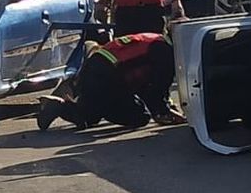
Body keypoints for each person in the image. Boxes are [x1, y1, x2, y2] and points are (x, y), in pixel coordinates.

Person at [36, 32, 185, 131]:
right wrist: (165, 112)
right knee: (140, 117)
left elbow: (146, 85)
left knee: (89, 117)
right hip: (107, 76)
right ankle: (77, 106)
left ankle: (56, 105)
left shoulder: (155, 40)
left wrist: (160, 109)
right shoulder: (165, 53)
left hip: (95, 68)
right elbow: (156, 89)